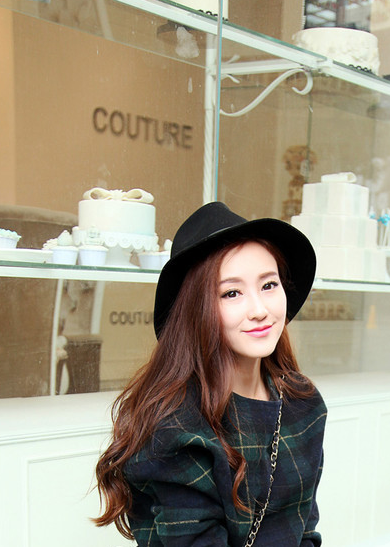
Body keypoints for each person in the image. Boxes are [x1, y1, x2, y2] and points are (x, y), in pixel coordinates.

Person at [94, 201, 327, 546]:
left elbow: (304, 531)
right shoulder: (178, 427)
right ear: (197, 310)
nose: (260, 310)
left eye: (268, 285)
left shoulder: (303, 403)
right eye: (232, 293)